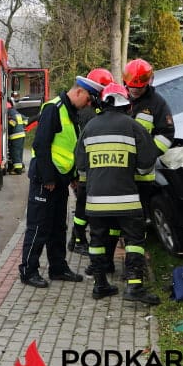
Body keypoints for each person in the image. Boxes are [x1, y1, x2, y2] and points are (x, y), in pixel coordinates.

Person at [75, 82, 161, 304]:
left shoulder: (90, 127)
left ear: (103, 103)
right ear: (127, 105)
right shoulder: (134, 127)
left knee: (97, 240)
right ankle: (134, 287)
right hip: (127, 200)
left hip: (95, 202)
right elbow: (147, 162)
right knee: (134, 241)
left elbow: (81, 166)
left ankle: (100, 285)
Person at [18, 73, 106, 288]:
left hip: (60, 180)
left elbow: (70, 148)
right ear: (79, 91)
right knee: (39, 227)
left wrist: (73, 176)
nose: (88, 104)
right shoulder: (53, 108)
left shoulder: (71, 111)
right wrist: (48, 177)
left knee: (58, 227)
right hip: (45, 180)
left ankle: (58, 268)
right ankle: (28, 271)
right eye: (88, 99)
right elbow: (40, 145)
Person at [67, 68, 114, 256]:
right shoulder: (89, 111)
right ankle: (78, 241)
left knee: (83, 205)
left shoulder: (87, 107)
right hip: (84, 169)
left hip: (82, 167)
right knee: (83, 206)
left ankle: (75, 240)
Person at [122, 59, 175, 218]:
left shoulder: (157, 103)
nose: (135, 90)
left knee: (139, 216)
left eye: (140, 87)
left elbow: (166, 134)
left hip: (142, 175)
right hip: (119, 171)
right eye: (132, 86)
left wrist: (147, 154)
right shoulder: (118, 99)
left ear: (148, 83)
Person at [6, 99, 27, 174]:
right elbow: (25, 119)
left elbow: (13, 122)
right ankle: (21, 167)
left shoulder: (10, 113)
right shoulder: (16, 112)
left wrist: (7, 130)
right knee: (19, 152)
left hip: (15, 136)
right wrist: (22, 126)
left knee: (15, 152)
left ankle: (18, 170)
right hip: (21, 134)